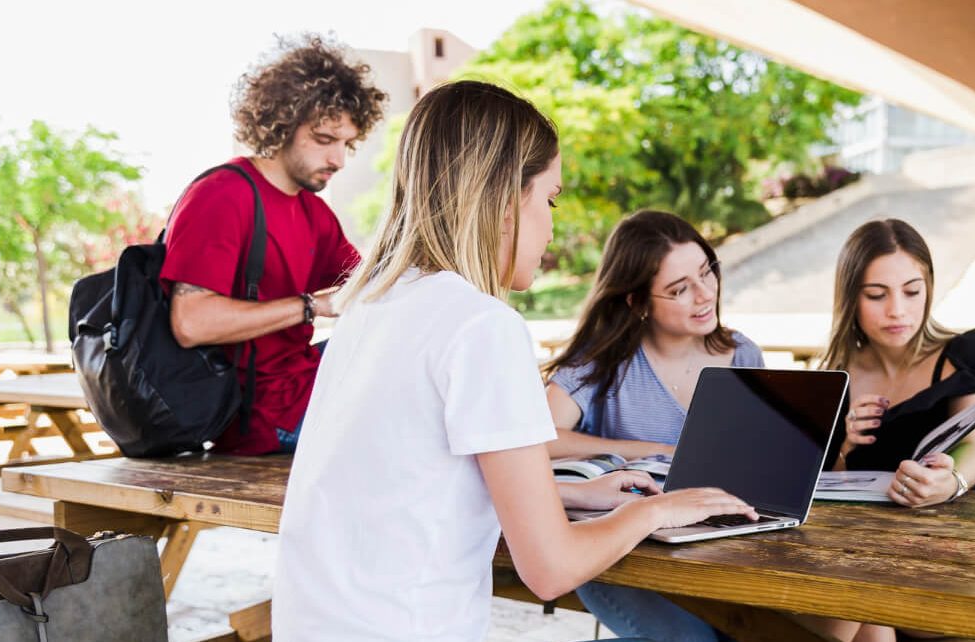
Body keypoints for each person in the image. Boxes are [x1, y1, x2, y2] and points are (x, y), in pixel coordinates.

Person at [271, 80, 756, 642]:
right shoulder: (481, 325)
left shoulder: (369, 304)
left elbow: (418, 482)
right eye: (549, 199)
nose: (552, 227)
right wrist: (654, 511)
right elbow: (551, 568)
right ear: (504, 199)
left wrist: (573, 494)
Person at [541, 209, 764, 641]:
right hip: (615, 550)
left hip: (717, 543)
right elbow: (539, 439)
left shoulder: (743, 355)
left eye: (707, 273)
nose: (704, 295)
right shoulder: (602, 360)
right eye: (680, 289)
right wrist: (641, 449)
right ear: (637, 301)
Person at [161, 36, 385, 455]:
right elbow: (190, 323)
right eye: (324, 139)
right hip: (260, 417)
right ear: (282, 122)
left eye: (347, 144)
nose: (339, 159)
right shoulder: (222, 194)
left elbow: (372, 287)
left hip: (304, 390)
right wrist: (311, 305)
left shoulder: (314, 214)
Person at [808, 218, 975, 642]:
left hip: (951, 549)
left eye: (913, 291)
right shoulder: (832, 377)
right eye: (877, 295)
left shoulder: (961, 356)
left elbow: (974, 447)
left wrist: (948, 482)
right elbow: (820, 491)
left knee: (859, 611)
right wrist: (844, 446)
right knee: (858, 608)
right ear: (851, 298)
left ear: (930, 287)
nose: (898, 310)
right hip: (864, 553)